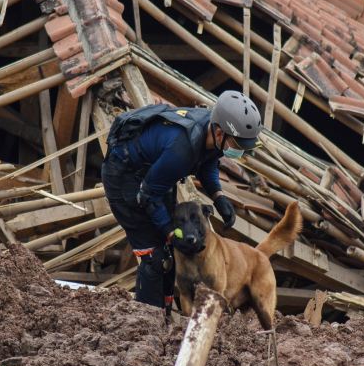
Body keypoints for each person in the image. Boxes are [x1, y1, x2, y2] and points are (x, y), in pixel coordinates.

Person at [101, 90, 263, 313]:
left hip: (154, 175)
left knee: (170, 252)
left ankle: (165, 315)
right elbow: (148, 196)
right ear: (218, 132)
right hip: (125, 175)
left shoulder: (213, 136)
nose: (239, 151)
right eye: (237, 144)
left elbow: (208, 165)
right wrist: (168, 231)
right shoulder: (182, 150)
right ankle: (146, 321)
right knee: (155, 256)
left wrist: (219, 197)